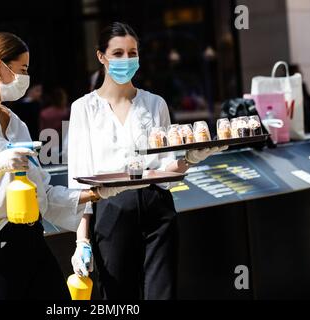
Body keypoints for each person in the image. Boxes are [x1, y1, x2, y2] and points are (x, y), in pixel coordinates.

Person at [0, 32, 145, 300]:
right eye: (23, 70)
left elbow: (43, 194)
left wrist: (99, 192)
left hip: (32, 246)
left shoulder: (17, 123)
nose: (26, 79)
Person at [68, 22, 227, 300]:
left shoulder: (155, 104)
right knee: (118, 298)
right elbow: (78, 180)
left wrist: (191, 158)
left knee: (162, 294)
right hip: (111, 208)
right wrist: (82, 240)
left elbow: (166, 171)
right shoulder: (84, 109)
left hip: (157, 208)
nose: (126, 60)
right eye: (117, 53)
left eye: (133, 52)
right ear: (101, 56)